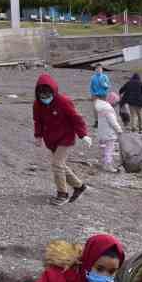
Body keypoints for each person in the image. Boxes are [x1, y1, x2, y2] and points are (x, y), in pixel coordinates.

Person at [32, 73, 93, 205]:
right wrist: (38, 136)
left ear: (53, 92)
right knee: (60, 165)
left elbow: (76, 118)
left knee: (57, 164)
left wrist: (83, 135)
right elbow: (38, 121)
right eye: (42, 97)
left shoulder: (63, 101)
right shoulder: (37, 105)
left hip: (66, 137)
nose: (45, 99)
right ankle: (79, 186)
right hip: (51, 140)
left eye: (47, 96)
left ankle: (62, 194)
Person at [93, 93, 122, 171]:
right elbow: (113, 122)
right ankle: (108, 165)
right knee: (109, 149)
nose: (116, 104)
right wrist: (119, 130)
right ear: (113, 101)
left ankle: (103, 163)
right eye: (116, 102)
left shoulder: (101, 108)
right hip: (109, 133)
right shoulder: (108, 109)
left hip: (102, 132)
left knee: (103, 148)